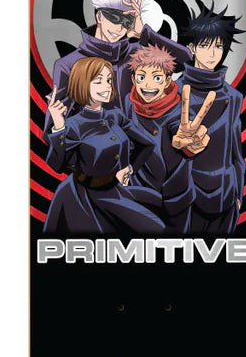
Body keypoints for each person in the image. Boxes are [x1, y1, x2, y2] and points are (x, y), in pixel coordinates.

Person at [43, 0, 191, 139]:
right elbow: (54, 127)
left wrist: (144, 33)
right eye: (114, 18)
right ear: (100, 16)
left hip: (143, 144)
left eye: (127, 21)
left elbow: (186, 61)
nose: (120, 28)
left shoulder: (137, 53)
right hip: (98, 147)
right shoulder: (69, 64)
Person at [43, 56, 164, 235]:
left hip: (116, 190)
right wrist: (59, 126)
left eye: (108, 80)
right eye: (98, 81)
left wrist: (129, 168)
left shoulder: (115, 116)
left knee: (158, 212)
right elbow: (56, 164)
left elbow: (146, 144)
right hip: (83, 198)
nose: (107, 86)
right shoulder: (73, 125)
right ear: (82, 84)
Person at [124, 44, 213, 234]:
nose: (148, 85)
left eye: (156, 78)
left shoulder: (181, 110)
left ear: (167, 80)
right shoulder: (127, 104)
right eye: (141, 78)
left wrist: (190, 144)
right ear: (133, 79)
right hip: (138, 195)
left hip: (175, 200)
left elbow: (185, 137)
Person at [177, 5, 246, 235]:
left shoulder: (233, 97)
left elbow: (236, 153)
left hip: (225, 196)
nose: (213, 53)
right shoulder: (174, 92)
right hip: (186, 196)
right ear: (192, 48)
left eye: (218, 46)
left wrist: (238, 194)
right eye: (205, 45)